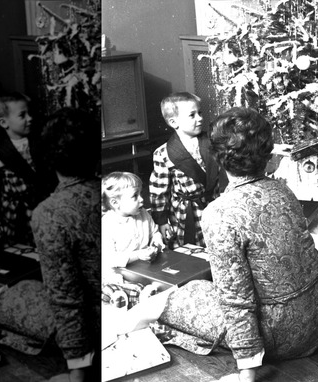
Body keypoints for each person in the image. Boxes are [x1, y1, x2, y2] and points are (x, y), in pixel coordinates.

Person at [158, 107, 318, 382]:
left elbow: (235, 299)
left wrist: (246, 375)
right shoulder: (281, 189)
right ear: (267, 152)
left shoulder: (219, 213)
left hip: (283, 338)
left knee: (181, 294)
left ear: (218, 156)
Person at [31, 108, 101, 382]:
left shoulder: (49, 213)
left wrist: (77, 374)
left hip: (93, 338)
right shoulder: (109, 188)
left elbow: (65, 299)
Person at [150, 92, 228, 249]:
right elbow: (159, 192)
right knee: (189, 252)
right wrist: (162, 221)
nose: (199, 118)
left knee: (216, 247)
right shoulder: (164, 153)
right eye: (192, 115)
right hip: (185, 215)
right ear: (173, 122)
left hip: (213, 207)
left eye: (200, 113)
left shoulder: (213, 143)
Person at [0, 92, 54, 247]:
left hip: (45, 209)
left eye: (29, 113)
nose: (30, 118)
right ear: (3, 122)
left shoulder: (41, 143)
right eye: (22, 115)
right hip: (16, 217)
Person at [101, 171, 164, 303]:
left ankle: (135, 294)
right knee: (113, 287)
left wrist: (156, 245)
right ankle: (126, 295)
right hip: (118, 274)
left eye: (140, 193)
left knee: (163, 285)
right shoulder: (108, 224)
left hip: (143, 270)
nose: (141, 199)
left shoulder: (144, 215)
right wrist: (139, 255)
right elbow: (111, 259)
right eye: (135, 196)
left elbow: (155, 233)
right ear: (115, 203)